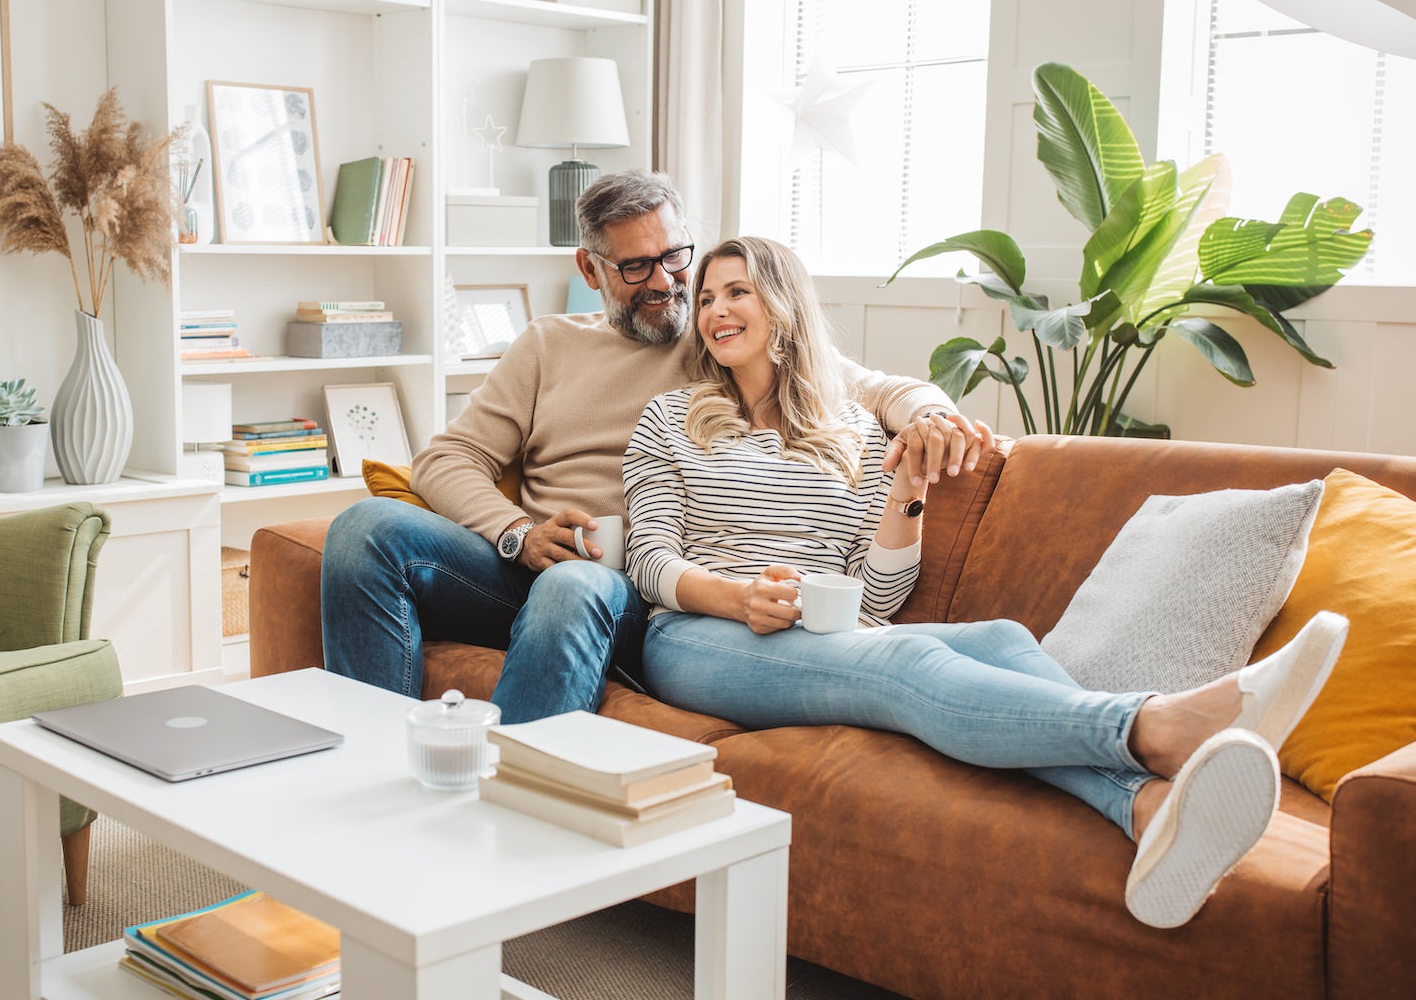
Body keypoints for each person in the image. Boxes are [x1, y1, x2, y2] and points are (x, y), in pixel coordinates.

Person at [622, 235, 1348, 928]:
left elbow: (874, 600)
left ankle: (1146, 811)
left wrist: (907, 496)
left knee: (999, 637)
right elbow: (648, 560)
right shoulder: (670, 419)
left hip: (823, 632)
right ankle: (1150, 726)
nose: (714, 310)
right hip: (699, 636)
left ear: (783, 306)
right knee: (903, 659)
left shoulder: (854, 430)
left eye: (737, 291)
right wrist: (736, 597)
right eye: (708, 296)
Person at [320, 171, 994, 723]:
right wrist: (516, 533)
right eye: (636, 266)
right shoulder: (549, 344)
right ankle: (373, 763)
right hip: (525, 570)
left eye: (676, 257)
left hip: (631, 585)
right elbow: (446, 459)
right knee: (364, 529)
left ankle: (513, 812)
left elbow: (868, 387)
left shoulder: (721, 339)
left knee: (574, 585)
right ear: (591, 267)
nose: (667, 283)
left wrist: (932, 414)